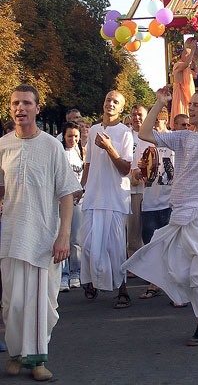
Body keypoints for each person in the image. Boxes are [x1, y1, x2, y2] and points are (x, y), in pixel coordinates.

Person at [123, 83, 198, 345]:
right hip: (182, 210)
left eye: (197, 105)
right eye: (191, 104)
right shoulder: (182, 137)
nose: (191, 108)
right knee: (185, 269)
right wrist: (160, 103)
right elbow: (144, 133)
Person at [0, 84, 81, 381]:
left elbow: (67, 194)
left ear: (37, 108)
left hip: (43, 237)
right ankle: (15, 354)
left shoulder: (51, 146)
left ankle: (38, 361)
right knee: (12, 302)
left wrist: (64, 235)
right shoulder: (3, 145)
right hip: (10, 235)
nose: (20, 108)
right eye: (14, 103)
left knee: (40, 303)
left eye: (26, 103)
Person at [80, 91, 134, 308]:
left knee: (115, 248)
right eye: (108, 100)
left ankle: (123, 290)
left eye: (116, 102)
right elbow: (89, 164)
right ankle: (93, 279)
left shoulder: (125, 133)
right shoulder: (93, 129)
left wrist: (109, 147)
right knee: (87, 245)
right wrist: (80, 187)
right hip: (93, 195)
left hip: (115, 198)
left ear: (121, 108)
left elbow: (125, 169)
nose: (110, 104)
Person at [134, 108, 175, 300]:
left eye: (158, 123)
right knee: (150, 245)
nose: (155, 128)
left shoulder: (174, 140)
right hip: (149, 202)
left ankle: (171, 285)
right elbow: (134, 176)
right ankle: (154, 283)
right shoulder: (143, 143)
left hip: (170, 202)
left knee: (170, 246)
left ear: (165, 122)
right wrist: (141, 170)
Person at [59, 122, 84, 292]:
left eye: (76, 136)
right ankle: (63, 274)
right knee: (62, 238)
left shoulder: (81, 153)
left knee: (76, 240)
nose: (73, 139)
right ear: (63, 136)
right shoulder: (59, 153)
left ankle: (76, 272)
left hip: (78, 202)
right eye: (69, 136)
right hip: (61, 201)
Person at [128, 104, 148, 259]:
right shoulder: (126, 135)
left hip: (148, 190)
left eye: (140, 114)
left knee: (147, 228)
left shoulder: (150, 135)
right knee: (133, 228)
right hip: (129, 189)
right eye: (134, 115)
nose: (136, 118)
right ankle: (133, 261)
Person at [170, 38, 197, 130]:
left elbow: (195, 75)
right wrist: (193, 50)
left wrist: (195, 64)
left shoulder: (187, 69)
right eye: (187, 54)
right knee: (181, 111)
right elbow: (186, 64)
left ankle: (190, 127)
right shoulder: (178, 65)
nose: (189, 56)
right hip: (180, 92)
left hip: (188, 95)